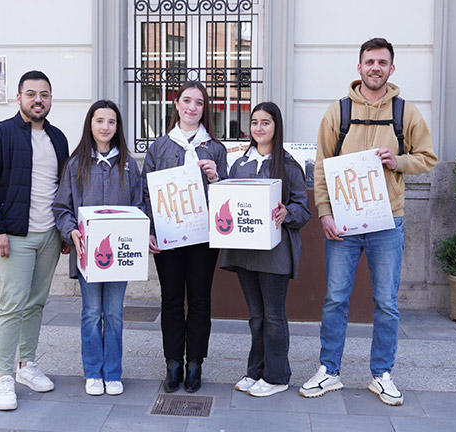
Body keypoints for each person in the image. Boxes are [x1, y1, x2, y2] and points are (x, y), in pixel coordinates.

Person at [299, 38, 438, 406]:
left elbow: (428, 157)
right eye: (369, 62)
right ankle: (329, 371)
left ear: (391, 68)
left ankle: (382, 374)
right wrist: (325, 212)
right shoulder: (338, 112)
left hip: (386, 222)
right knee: (335, 299)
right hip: (343, 223)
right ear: (358, 67)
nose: (375, 68)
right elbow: (321, 165)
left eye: (382, 62)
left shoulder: (406, 112)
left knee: (387, 302)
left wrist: (400, 161)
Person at [0, 70, 69, 411]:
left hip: (49, 235)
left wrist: (63, 230)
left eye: (44, 94)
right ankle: (3, 376)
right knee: (12, 305)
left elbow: (63, 187)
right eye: (31, 94)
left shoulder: (58, 138)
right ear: (19, 98)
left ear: (50, 99)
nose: (38, 100)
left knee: (35, 304)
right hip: (14, 235)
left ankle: (26, 365)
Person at [220, 102, 311, 397]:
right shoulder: (240, 164)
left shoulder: (288, 165)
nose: (259, 128)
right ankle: (255, 371)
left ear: (276, 127)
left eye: (266, 122)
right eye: (255, 122)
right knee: (256, 315)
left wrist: (289, 213)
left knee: (273, 315)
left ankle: (277, 376)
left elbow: (302, 206)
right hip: (246, 252)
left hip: (275, 254)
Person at [53, 100, 143, 396]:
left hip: (119, 257)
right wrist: (70, 232)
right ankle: (93, 371)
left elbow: (139, 205)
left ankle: (113, 372)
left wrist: (141, 231)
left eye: (112, 122)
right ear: (90, 124)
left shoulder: (129, 165)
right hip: (87, 255)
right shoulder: (76, 164)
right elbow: (62, 208)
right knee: (92, 312)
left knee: (114, 313)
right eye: (100, 120)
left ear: (118, 127)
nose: (106, 127)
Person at [142, 81, 228, 393]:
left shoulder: (215, 149)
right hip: (168, 236)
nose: (192, 107)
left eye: (199, 103)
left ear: (205, 109)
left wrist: (215, 177)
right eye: (187, 101)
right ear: (176, 105)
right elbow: (146, 193)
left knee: (201, 299)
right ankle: (173, 362)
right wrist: (149, 229)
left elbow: (227, 196)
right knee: (172, 299)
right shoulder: (159, 147)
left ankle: (195, 363)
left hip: (203, 236)